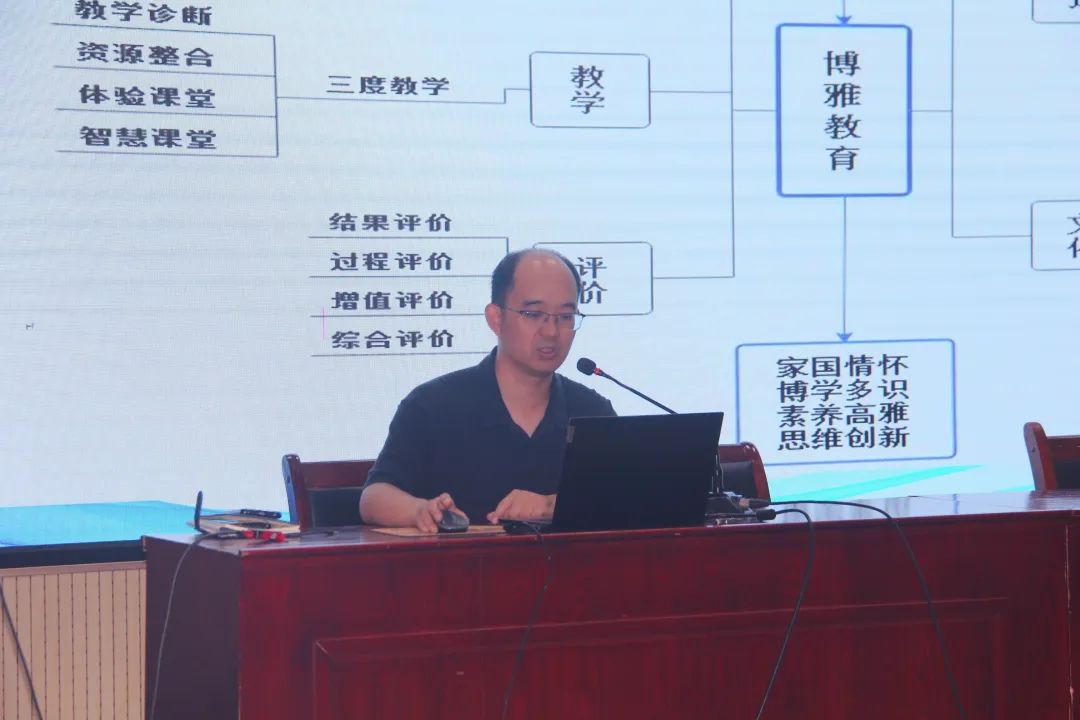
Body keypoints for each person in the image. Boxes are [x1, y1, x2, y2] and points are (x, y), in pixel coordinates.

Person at [359, 249, 615, 532]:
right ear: (495, 318)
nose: (551, 331)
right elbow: (374, 497)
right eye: (533, 314)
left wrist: (550, 505)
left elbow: (622, 500)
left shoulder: (593, 413)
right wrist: (419, 511)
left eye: (566, 316)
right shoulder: (432, 406)